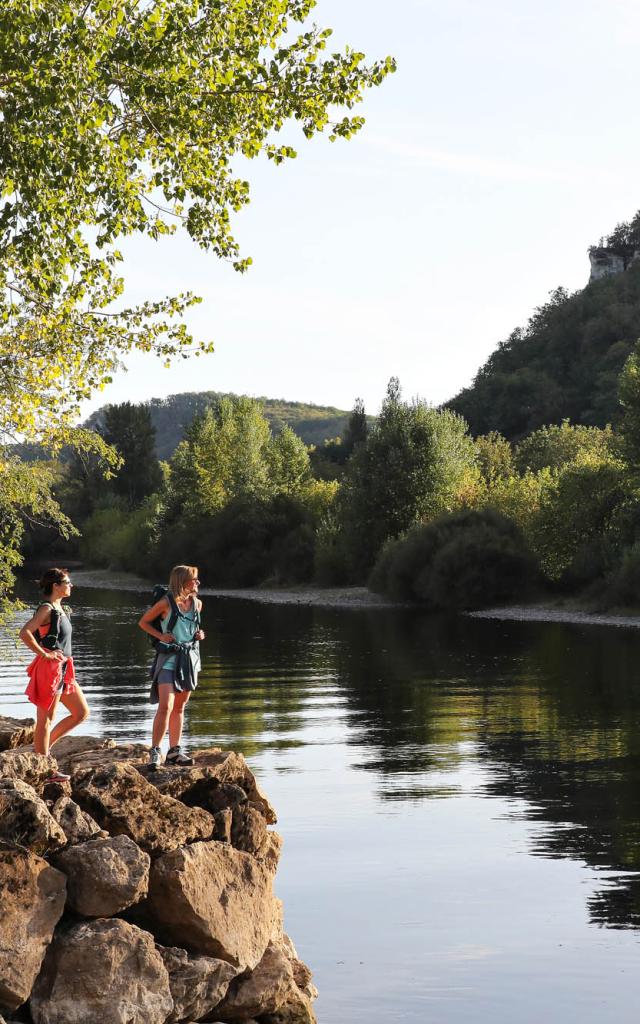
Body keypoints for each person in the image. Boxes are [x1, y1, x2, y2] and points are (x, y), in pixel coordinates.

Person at [19, 568, 90, 782]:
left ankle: (43, 750)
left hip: (64, 668)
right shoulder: (46, 608)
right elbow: (25, 633)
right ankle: (46, 768)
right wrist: (44, 654)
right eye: (67, 582)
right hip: (50, 668)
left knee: (81, 712)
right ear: (56, 586)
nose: (71, 585)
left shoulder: (60, 608)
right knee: (46, 719)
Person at [138, 564, 205, 768]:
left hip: (190, 659)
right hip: (168, 659)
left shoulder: (198, 604)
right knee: (165, 706)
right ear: (182, 581)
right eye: (194, 579)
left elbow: (193, 628)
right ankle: (155, 751)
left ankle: (174, 751)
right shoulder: (165, 602)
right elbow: (144, 622)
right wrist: (161, 636)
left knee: (180, 707)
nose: (197, 582)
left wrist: (200, 635)